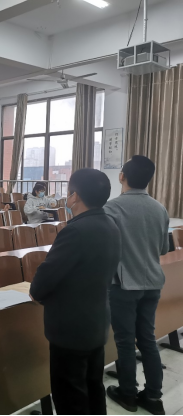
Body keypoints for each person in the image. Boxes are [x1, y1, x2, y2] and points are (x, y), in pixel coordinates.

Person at [30, 169, 122, 415]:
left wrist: (36, 291)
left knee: (70, 397)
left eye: (69, 193)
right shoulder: (110, 224)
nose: (68, 198)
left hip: (70, 329)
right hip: (96, 323)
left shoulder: (75, 230)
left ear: (75, 196)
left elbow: (45, 278)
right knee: (93, 388)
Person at [104, 156, 170, 415]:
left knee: (124, 341)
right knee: (147, 339)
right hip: (152, 283)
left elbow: (106, 249)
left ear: (122, 176)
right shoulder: (160, 209)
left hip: (123, 285)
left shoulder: (112, 208)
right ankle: (153, 397)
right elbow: (163, 249)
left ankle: (128, 394)